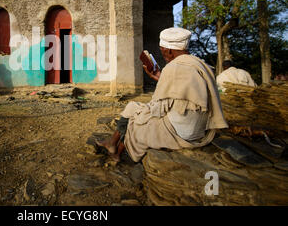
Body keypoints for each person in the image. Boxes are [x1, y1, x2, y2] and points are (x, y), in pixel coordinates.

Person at [96, 27, 229, 163]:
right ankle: (112, 144)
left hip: (181, 132)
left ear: (169, 50)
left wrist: (140, 115)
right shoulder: (200, 64)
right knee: (133, 108)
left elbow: (156, 108)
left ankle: (120, 153)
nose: (162, 52)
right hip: (199, 130)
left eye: (162, 49)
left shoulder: (173, 68)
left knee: (134, 120)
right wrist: (160, 77)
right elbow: (184, 90)